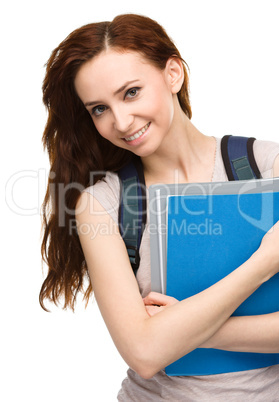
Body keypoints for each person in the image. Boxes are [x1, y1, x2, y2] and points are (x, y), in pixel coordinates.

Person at [39, 13, 279, 401]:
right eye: (99, 108)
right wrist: (264, 263)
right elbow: (146, 354)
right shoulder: (102, 203)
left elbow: (157, 342)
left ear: (173, 74)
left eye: (131, 92)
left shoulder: (268, 167)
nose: (120, 120)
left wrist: (182, 329)